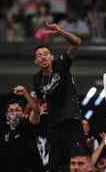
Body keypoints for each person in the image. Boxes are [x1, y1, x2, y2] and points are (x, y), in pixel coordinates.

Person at [33, 22, 83, 171]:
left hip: (71, 121)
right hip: (54, 126)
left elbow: (77, 42)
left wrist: (60, 31)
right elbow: (42, 101)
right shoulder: (36, 79)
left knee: (77, 161)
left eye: (45, 54)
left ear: (51, 57)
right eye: (39, 56)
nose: (42, 57)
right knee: (55, 165)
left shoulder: (61, 64)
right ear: (36, 61)